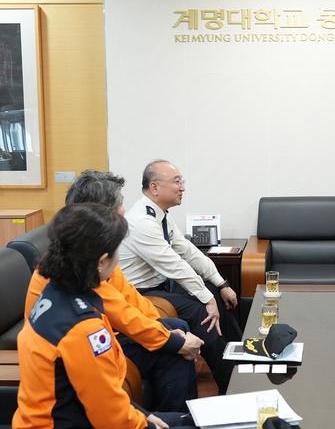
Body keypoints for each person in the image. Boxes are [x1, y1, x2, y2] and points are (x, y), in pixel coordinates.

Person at [23, 170, 202, 412]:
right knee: (174, 347)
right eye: (120, 205)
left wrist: (163, 327)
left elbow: (128, 297)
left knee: (176, 328)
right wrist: (171, 340)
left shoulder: (92, 253)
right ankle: (178, 417)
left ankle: (179, 415)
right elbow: (120, 313)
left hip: (106, 331)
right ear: (99, 215)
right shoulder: (79, 266)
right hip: (88, 345)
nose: (124, 211)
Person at [120, 160, 240, 392]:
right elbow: (175, 265)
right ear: (154, 187)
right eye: (177, 182)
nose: (182, 187)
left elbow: (188, 251)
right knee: (201, 312)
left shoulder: (160, 216)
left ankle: (243, 354)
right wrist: (207, 300)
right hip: (142, 292)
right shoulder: (141, 222)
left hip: (162, 285)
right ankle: (231, 384)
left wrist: (221, 283)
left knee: (214, 291)